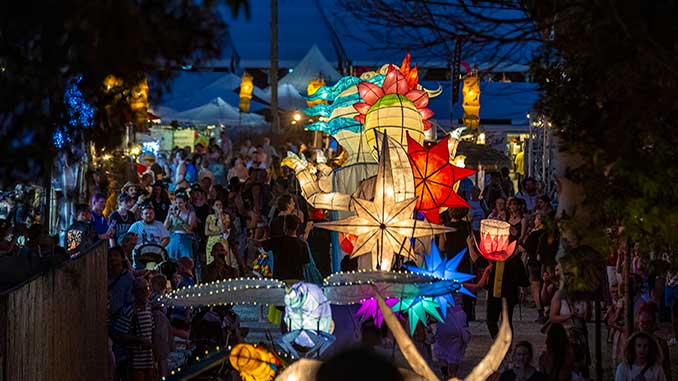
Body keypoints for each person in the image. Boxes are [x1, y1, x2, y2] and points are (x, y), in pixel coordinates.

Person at [435, 263, 493, 378]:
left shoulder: (436, 287)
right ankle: (452, 375)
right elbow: (478, 286)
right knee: (455, 351)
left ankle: (446, 374)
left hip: (443, 322)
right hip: (457, 321)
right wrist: (486, 273)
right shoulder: (458, 285)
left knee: (442, 350)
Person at [110, 278, 155, 381]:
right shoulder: (129, 311)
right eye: (141, 290)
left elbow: (151, 332)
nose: (145, 292)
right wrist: (139, 340)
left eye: (146, 288)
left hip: (148, 359)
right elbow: (119, 335)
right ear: (135, 292)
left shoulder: (148, 308)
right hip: (135, 360)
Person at [549, 280, 592, 378]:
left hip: (580, 335)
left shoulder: (582, 297)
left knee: (580, 361)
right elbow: (553, 317)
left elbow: (587, 318)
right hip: (565, 334)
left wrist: (588, 304)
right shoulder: (559, 296)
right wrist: (570, 315)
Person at [261, 215, 309, 281]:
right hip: (297, 279)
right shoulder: (302, 244)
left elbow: (261, 245)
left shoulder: (276, 241)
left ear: (284, 226)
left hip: (280, 279)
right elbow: (305, 264)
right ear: (297, 227)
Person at [637, 302, 671, 381]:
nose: (645, 326)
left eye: (648, 322)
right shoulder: (633, 342)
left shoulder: (661, 343)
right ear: (638, 323)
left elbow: (667, 368)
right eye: (642, 323)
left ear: (653, 323)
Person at [164, 192, 196, 260]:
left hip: (185, 240)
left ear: (185, 203)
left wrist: (178, 217)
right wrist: (168, 215)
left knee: (185, 261)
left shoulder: (191, 213)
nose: (178, 205)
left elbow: (189, 229)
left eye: (180, 203)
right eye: (176, 203)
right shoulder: (173, 212)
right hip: (173, 239)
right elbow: (165, 227)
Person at [107, 246, 135, 319]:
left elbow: (130, 299)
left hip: (121, 318)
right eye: (110, 256)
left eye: (116, 255)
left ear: (122, 258)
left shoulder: (129, 278)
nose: (112, 258)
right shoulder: (105, 276)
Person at [204, 199, 230, 265]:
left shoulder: (226, 216)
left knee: (224, 262)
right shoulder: (209, 217)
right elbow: (206, 232)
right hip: (211, 242)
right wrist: (219, 233)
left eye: (220, 204)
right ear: (213, 207)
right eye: (217, 205)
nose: (219, 206)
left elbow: (224, 229)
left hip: (222, 242)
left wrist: (220, 217)